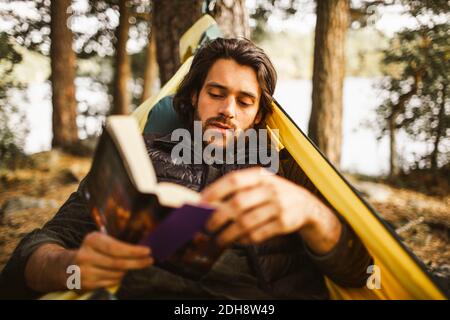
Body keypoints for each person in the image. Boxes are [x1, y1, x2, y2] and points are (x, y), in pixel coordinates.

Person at [0, 38, 372, 299]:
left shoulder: (290, 172)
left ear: (259, 115)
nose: (228, 109)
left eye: (244, 101)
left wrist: (312, 214)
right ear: (194, 95)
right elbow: (31, 255)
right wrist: (73, 267)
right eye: (216, 93)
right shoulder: (139, 155)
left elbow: (364, 274)